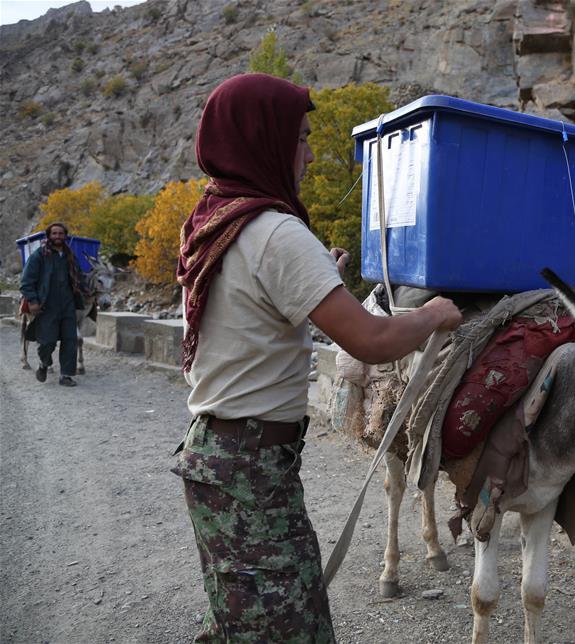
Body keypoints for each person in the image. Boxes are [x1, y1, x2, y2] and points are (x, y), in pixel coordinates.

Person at [171, 73, 461, 643]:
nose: (307, 153)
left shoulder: (213, 220)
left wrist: (318, 275)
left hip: (220, 457)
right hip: (249, 471)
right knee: (287, 629)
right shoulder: (276, 232)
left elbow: (252, 309)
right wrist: (434, 316)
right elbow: (372, 342)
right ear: (265, 140)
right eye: (300, 137)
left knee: (241, 621)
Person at [19, 222, 83, 387]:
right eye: (54, 233)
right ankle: (44, 364)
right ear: (49, 236)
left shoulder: (70, 256)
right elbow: (26, 281)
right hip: (47, 305)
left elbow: (79, 278)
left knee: (70, 340)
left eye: (61, 234)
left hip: (68, 304)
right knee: (47, 341)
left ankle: (66, 375)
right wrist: (33, 300)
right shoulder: (39, 255)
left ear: (65, 236)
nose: (57, 236)